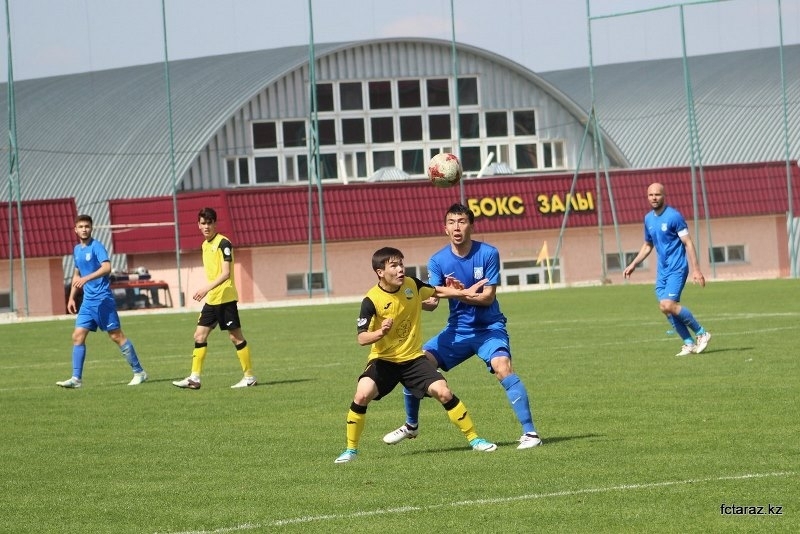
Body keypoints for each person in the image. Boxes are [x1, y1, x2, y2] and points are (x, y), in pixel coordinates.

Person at [382, 203, 543, 450]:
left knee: (502, 367)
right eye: (451, 222)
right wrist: (404, 301)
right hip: (457, 331)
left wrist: (459, 293)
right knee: (414, 365)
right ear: (445, 228)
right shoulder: (438, 260)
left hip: (489, 328)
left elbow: (487, 297)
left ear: (471, 226)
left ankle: (530, 433)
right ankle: (411, 425)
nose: (456, 227)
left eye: (462, 222)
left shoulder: (488, 253)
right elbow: (432, 302)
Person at [335, 246, 497, 464]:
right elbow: (362, 338)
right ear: (380, 272)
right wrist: (380, 332)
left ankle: (475, 439)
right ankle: (350, 450)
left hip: (413, 359)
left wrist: (464, 292)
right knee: (362, 395)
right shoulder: (371, 300)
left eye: (401, 264)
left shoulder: (412, 285)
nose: (401, 269)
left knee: (444, 392)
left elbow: (436, 291)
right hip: (384, 360)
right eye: (394, 266)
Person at [57, 214, 147, 388]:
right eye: (81, 227)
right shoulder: (77, 250)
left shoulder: (97, 246)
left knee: (116, 336)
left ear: (91, 228)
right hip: (87, 302)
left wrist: (87, 278)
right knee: (77, 336)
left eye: (87, 226)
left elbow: (107, 267)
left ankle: (139, 372)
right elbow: (76, 274)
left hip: (102, 300)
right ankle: (76, 379)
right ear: (75, 230)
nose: (84, 229)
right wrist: (71, 297)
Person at [173, 207, 257, 390]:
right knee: (199, 335)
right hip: (212, 300)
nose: (206, 227)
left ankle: (249, 377)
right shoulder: (205, 245)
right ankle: (195, 378)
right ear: (198, 225)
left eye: (209, 223)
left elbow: (226, 274)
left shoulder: (224, 243)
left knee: (235, 337)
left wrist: (205, 288)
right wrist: (208, 291)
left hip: (225, 298)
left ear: (215, 224)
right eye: (203, 223)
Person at [623, 182, 711, 356]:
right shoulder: (648, 219)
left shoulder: (674, 216)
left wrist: (696, 270)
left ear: (664, 196)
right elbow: (648, 245)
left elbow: (688, 242)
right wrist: (633, 264)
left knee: (668, 304)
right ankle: (688, 343)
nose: (654, 198)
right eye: (651, 195)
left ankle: (701, 332)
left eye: (657, 194)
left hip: (677, 268)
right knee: (665, 308)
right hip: (662, 271)